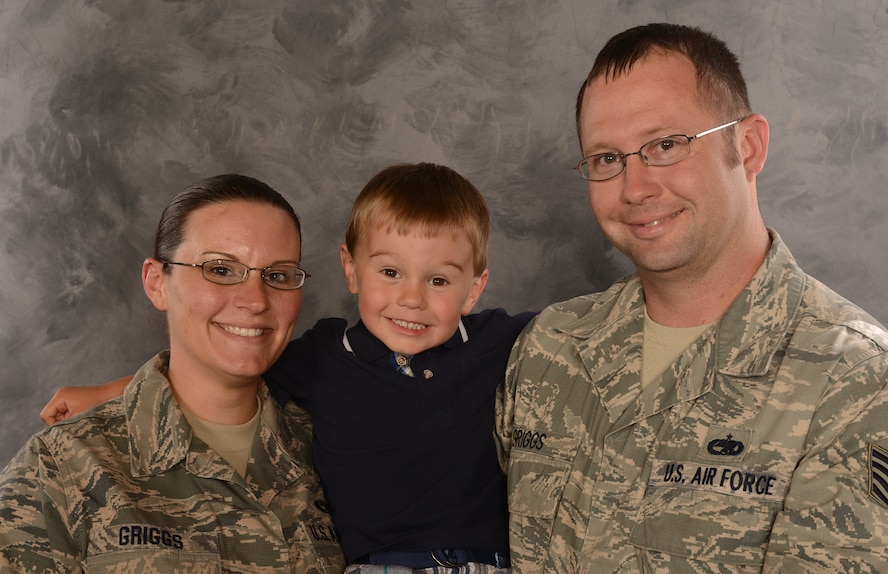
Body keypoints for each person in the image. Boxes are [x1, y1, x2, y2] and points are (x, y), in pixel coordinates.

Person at [495, 23, 888, 573]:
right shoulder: (549, 349)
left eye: (664, 145)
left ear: (748, 147)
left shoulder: (856, 384)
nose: (635, 188)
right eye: (607, 158)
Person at [40, 163, 534, 572]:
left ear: (473, 289)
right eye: (390, 272)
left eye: (439, 281)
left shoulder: (503, 342)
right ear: (350, 269)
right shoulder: (327, 355)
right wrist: (111, 391)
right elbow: (219, 376)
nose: (411, 299)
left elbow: (599, 330)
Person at [2, 174, 345, 572]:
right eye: (220, 269)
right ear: (156, 283)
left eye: (279, 275)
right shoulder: (63, 467)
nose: (255, 300)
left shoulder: (334, 447)